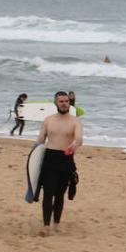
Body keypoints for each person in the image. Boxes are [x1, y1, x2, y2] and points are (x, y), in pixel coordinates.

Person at [35, 91, 83, 235]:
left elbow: (79, 139)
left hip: (65, 159)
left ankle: (56, 223)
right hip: (49, 158)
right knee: (48, 193)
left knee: (60, 194)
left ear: (69, 103)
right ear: (56, 103)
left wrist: (73, 146)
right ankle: (46, 226)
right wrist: (34, 157)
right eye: (61, 101)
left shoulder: (75, 121)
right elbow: (40, 140)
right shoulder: (48, 120)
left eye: (66, 101)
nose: (64, 103)